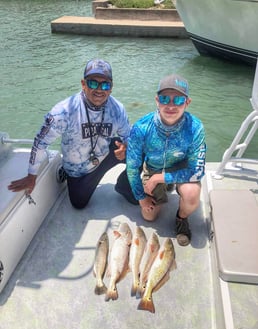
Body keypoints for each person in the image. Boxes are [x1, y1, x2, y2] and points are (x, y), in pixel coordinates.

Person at [8, 58, 137, 209]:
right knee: (78, 204)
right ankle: (67, 173)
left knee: (140, 149)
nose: (100, 89)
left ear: (111, 87)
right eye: (93, 83)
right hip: (79, 170)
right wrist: (32, 175)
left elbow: (127, 135)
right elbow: (40, 142)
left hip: (105, 154)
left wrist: (126, 147)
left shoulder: (117, 109)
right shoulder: (63, 112)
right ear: (83, 84)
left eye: (105, 84)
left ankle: (125, 186)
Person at [126, 74, 206, 246]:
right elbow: (132, 167)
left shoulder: (196, 128)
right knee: (148, 217)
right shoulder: (140, 128)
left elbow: (197, 171)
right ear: (157, 100)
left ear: (187, 102)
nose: (170, 105)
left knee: (192, 194)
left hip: (180, 167)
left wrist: (159, 179)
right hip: (154, 167)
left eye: (178, 100)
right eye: (165, 99)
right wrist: (141, 198)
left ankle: (181, 218)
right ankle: (164, 189)